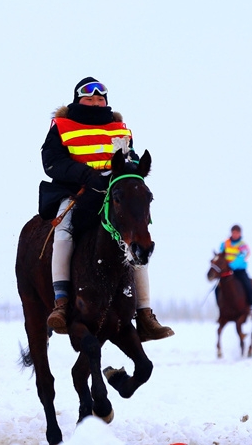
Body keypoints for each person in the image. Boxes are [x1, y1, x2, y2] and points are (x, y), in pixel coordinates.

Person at [40, 77, 174, 342]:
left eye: (100, 99)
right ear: (78, 100)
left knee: (136, 239)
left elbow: (129, 159)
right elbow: (52, 162)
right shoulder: (62, 125)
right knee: (63, 231)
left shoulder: (120, 129)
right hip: (76, 191)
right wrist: (87, 175)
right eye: (89, 99)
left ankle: (144, 313)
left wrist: (131, 171)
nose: (95, 102)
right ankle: (62, 302)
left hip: (114, 193)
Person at [219, 224, 252, 321]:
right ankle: (221, 309)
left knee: (248, 285)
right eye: (233, 232)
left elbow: (242, 257)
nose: (235, 234)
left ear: (240, 233)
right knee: (218, 288)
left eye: (237, 233)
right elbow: (221, 256)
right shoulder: (225, 243)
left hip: (239, 271)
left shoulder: (243, 245)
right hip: (227, 271)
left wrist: (232, 265)